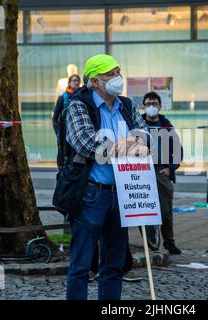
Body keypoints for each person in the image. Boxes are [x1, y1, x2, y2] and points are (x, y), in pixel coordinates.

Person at [64, 54, 150, 300]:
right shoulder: (78, 105)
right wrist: (125, 145)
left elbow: (144, 132)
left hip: (123, 193)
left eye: (118, 72)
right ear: (94, 81)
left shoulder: (125, 104)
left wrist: (136, 140)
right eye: (110, 74)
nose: (117, 78)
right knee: (81, 266)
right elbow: (85, 143)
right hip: (92, 194)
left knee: (114, 266)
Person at [141, 91, 183, 255]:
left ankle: (169, 242)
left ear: (159, 106)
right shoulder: (138, 126)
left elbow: (178, 151)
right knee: (143, 209)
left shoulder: (166, 126)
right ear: (143, 106)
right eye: (148, 103)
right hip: (142, 173)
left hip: (161, 173)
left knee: (165, 211)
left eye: (154, 103)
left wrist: (170, 169)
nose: (151, 107)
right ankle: (150, 240)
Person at [52, 74, 81, 140]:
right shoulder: (62, 98)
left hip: (78, 132)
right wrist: (58, 133)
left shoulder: (82, 97)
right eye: (74, 80)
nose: (76, 82)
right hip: (64, 132)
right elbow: (55, 118)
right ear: (69, 83)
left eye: (78, 81)